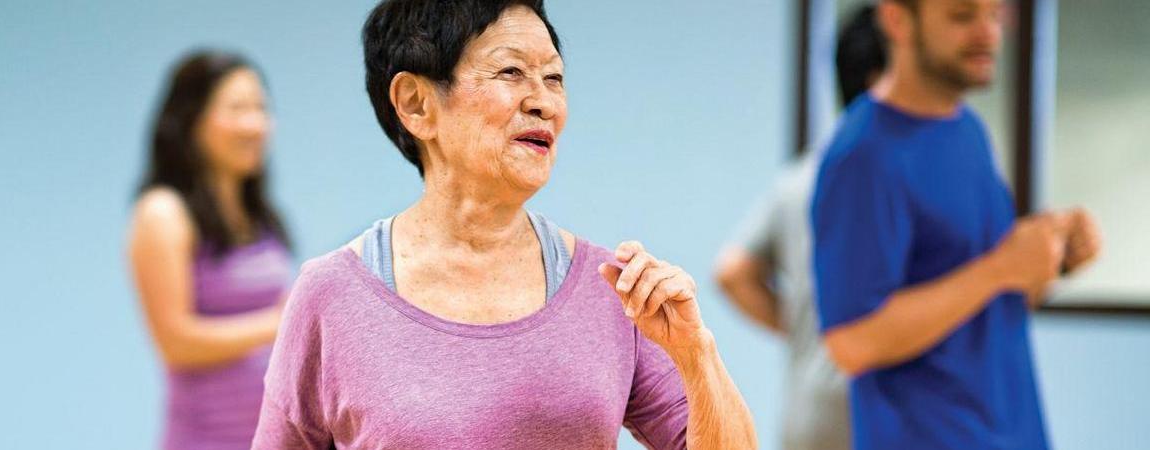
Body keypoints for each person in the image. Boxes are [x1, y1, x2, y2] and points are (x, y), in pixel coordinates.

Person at [250, 1, 756, 448]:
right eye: (511, 72)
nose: (545, 102)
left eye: (554, 78)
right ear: (415, 104)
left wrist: (695, 352)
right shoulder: (332, 294)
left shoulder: (615, 289)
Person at [810, 0, 1103, 448]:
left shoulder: (968, 129)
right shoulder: (863, 155)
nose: (988, 33)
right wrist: (1002, 268)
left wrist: (1049, 260)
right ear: (897, 19)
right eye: (963, 16)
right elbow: (851, 342)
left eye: (993, 15)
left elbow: (982, 300)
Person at [713, 5, 885, 450]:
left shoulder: (804, 176)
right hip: (882, 415)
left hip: (811, 416)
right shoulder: (914, 178)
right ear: (878, 81)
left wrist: (808, 329)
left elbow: (732, 271)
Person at [127, 50, 294, 450]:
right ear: (190, 120)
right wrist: (282, 321)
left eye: (261, 108)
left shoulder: (259, 216)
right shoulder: (163, 214)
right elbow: (175, 341)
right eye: (237, 108)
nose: (255, 124)